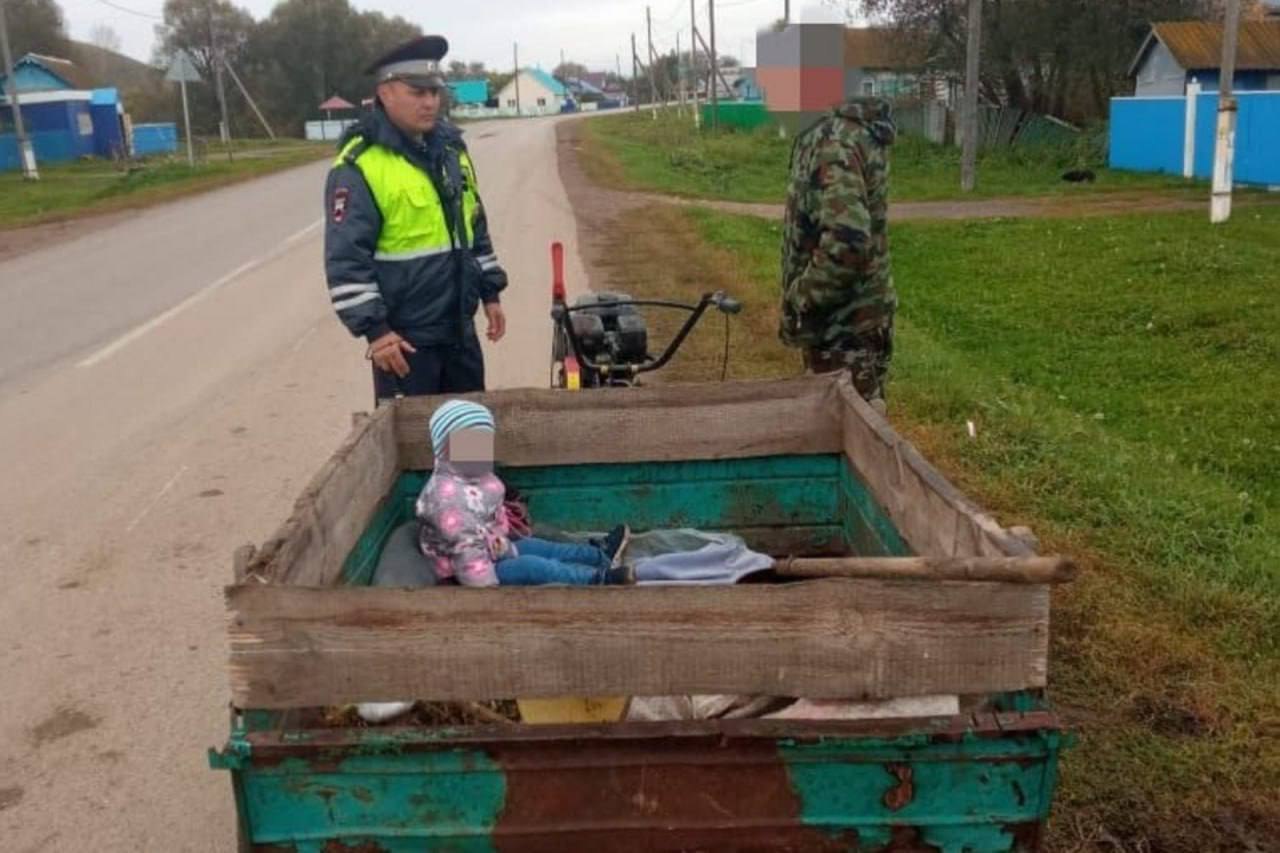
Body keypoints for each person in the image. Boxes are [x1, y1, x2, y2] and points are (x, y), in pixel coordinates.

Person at [323, 35, 508, 403]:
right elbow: (346, 260)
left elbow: (475, 225)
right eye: (417, 92)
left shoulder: (452, 151)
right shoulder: (359, 165)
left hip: (460, 332)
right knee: (413, 451)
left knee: (469, 444)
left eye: (434, 93)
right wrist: (375, 331)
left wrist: (490, 292)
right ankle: (426, 466)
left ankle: (468, 466)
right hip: (404, 344)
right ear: (386, 93)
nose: (430, 102)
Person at [417, 400, 635, 586]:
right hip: (469, 572)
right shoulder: (447, 501)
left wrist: (502, 541)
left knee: (538, 546)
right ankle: (597, 579)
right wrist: (485, 589)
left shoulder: (471, 473)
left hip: (493, 549)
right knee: (533, 567)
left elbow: (490, 515)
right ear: (444, 450)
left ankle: (599, 556)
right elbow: (466, 550)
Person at [778, 97, 898, 406]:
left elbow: (848, 241)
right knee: (860, 425)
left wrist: (801, 298)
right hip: (850, 323)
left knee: (851, 437)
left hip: (842, 328)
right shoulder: (843, 131)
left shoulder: (833, 139)